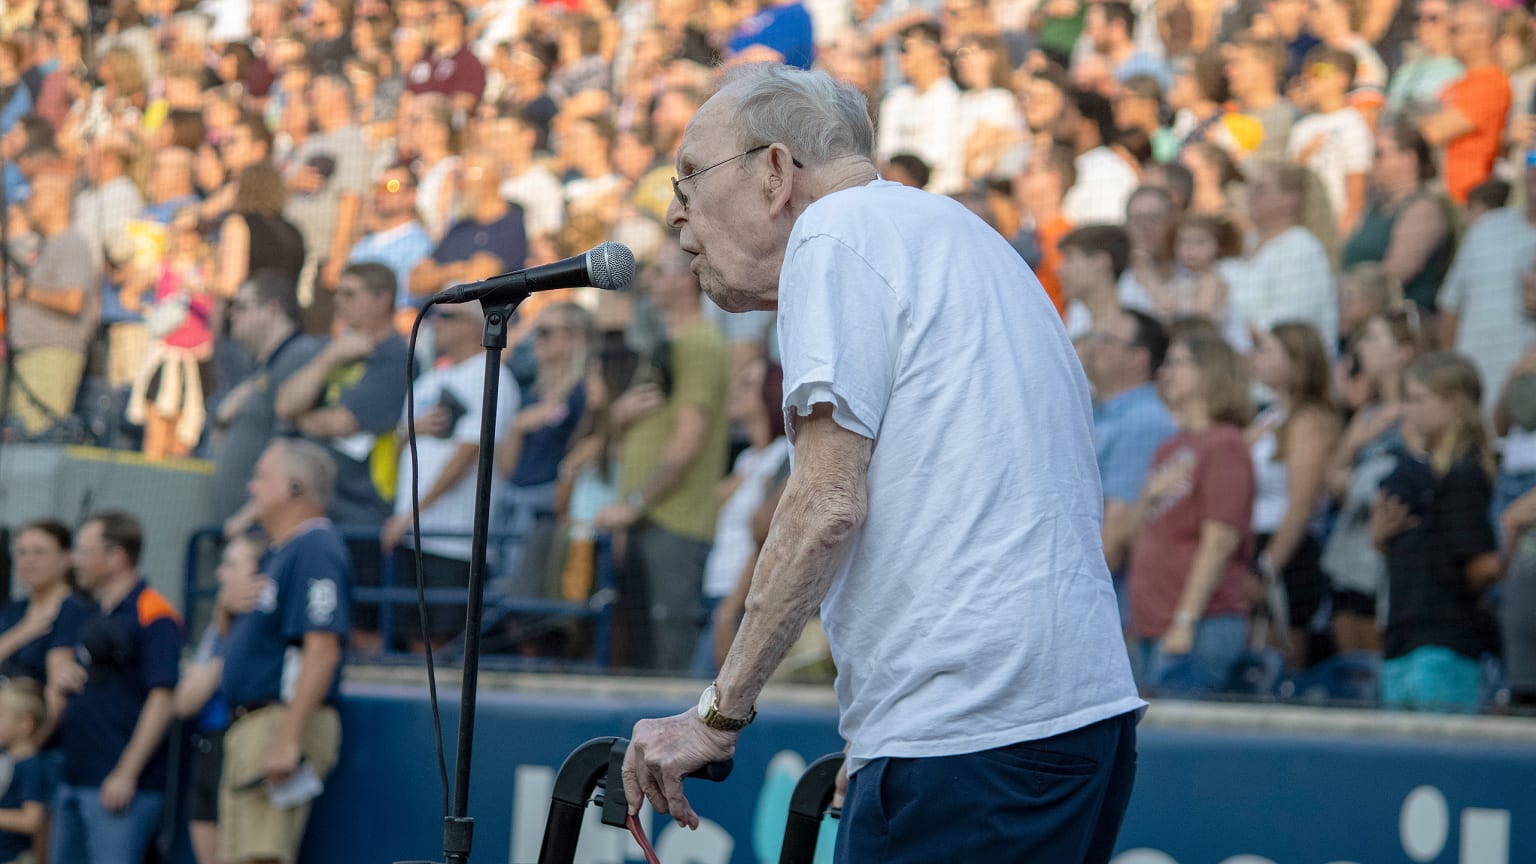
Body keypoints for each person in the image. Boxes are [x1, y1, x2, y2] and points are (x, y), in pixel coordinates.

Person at [622, 64, 1142, 861]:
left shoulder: (833, 233)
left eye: (692, 173)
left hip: (971, 728)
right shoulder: (962, 236)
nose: (674, 210)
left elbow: (827, 504)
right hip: (1064, 719)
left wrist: (715, 717)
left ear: (773, 171)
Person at [597, 241, 731, 673]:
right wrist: (618, 419)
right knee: (638, 650)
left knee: (664, 657)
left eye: (662, 270)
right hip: (645, 520)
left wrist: (634, 505)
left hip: (673, 523)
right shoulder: (661, 342)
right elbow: (625, 439)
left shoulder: (701, 343)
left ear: (688, 278)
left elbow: (688, 440)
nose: (650, 280)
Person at [220, 439, 349, 864]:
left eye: (262, 477)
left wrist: (287, 738)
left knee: (261, 858)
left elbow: (323, 646)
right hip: (254, 725)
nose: (252, 487)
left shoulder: (315, 545)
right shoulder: (283, 551)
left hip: (278, 721)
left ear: (294, 488)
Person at [1120, 327, 1256, 695]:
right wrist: (1148, 497)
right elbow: (1137, 537)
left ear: (1210, 371)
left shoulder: (1225, 444)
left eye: (1178, 363)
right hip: (1153, 624)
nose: (1166, 373)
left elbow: (1220, 540)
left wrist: (1185, 620)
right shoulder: (1170, 448)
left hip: (1199, 626)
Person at [46, 511, 182, 864]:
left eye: (85, 550)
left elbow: (163, 697)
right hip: (75, 775)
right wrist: (60, 673)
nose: (76, 559)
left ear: (116, 556)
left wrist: (127, 772)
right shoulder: (91, 612)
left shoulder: (153, 612)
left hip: (120, 787)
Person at [380, 300, 516, 651]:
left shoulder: (492, 374)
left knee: (445, 640)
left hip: (454, 539)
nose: (435, 323)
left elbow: (468, 455)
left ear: (474, 325)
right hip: (412, 532)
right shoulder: (429, 379)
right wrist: (409, 432)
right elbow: (394, 450)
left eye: (447, 317)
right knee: (413, 634)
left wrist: (410, 514)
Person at [1370, 352, 1501, 711]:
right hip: (1403, 641)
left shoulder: (1465, 474)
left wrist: (1512, 533)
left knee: (1441, 764)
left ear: (1454, 402)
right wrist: (1383, 539)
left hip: (1443, 645)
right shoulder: (1424, 474)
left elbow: (1481, 566)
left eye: (1417, 400)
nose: (1407, 411)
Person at [274, 262, 409, 529]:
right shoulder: (334, 349)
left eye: (349, 294)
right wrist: (329, 358)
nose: (338, 302)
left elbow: (344, 423)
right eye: (338, 293)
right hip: (312, 502)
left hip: (358, 511)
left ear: (382, 299)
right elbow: (284, 404)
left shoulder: (397, 357)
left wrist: (297, 420)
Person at [1247, 323, 1342, 671]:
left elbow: (1301, 505)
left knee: (1279, 662)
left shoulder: (1309, 420)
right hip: (1255, 544)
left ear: (1298, 363)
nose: (1256, 358)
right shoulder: (1270, 416)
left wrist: (1268, 568)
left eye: (1268, 351)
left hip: (1286, 553)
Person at [172, 535, 267, 864]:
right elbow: (185, 702)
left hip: (248, 748)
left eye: (232, 565)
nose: (221, 574)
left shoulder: (268, 623)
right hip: (208, 747)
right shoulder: (218, 625)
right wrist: (224, 626)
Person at [1084, 309, 1178, 625]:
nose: (1092, 347)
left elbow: (1118, 528)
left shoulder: (1143, 421)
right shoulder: (1102, 412)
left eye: (1106, 340)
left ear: (1138, 358)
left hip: (1112, 610)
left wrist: (1075, 604)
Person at [1, 168, 97, 438]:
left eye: (36, 195)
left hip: (51, 355)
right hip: (26, 354)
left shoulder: (72, 243)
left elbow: (72, 301)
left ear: (56, 200)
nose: (29, 201)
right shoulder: (46, 244)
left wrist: (24, 291)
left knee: (38, 438)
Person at [1339, 123, 1455, 314]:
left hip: (1398, 323)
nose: (1372, 162)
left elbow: (1393, 276)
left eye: (1379, 154)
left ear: (1408, 159)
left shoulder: (1423, 209)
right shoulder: (1375, 208)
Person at [0, 519, 75, 685]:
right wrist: (22, 632)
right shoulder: (14, 608)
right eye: (21, 552)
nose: (29, 560)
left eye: (39, 552)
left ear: (65, 558)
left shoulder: (73, 609)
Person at [0, 681, 46, 864]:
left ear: (25, 724)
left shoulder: (31, 766)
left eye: (0, 715)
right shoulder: (8, 759)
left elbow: (32, 821)